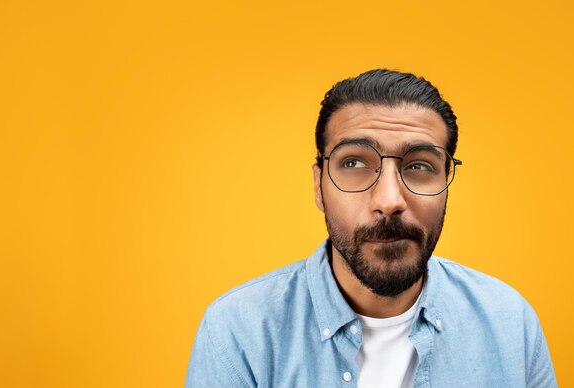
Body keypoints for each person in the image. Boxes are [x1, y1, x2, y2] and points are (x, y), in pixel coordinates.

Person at [185, 69, 557, 387]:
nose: (390, 200)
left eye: (420, 166)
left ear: (447, 183)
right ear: (319, 186)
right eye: (354, 163)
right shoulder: (238, 331)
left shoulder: (511, 323)